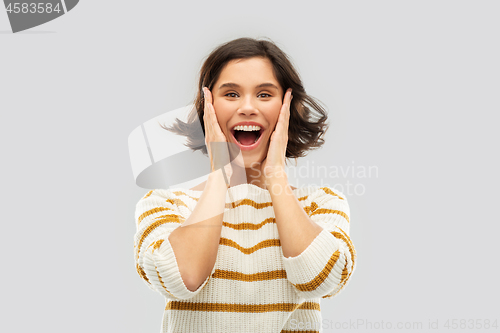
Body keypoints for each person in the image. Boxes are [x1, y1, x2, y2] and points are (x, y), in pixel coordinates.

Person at [133, 37, 356, 333]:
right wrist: (220, 175)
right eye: (231, 94)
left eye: (264, 94)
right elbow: (182, 278)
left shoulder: (321, 204)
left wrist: (275, 176)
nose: (248, 107)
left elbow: (317, 278)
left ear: (287, 108)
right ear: (207, 108)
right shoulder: (166, 203)